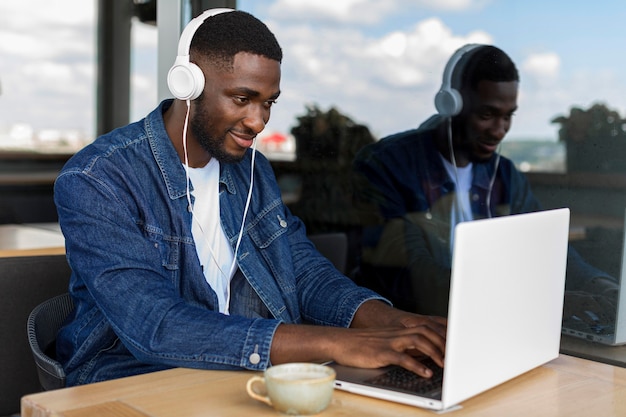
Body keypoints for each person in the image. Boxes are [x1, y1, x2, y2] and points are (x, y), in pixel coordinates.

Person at [53, 9, 446, 387]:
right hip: (132, 379)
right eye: (242, 99)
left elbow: (303, 272)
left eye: (268, 102)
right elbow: (156, 325)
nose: (258, 121)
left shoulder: (252, 172)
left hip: (239, 374)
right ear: (187, 85)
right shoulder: (98, 178)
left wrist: (388, 322)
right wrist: (335, 343)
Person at [352, 44, 618, 319]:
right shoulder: (385, 165)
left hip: (494, 319)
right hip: (412, 326)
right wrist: (542, 302)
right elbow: (415, 280)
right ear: (450, 104)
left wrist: (600, 286)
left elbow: (546, 248)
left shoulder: (504, 175)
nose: (499, 131)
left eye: (507, 116)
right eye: (486, 115)